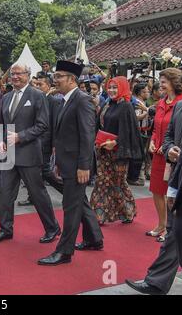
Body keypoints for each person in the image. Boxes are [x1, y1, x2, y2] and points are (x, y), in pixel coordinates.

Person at [38, 61, 103, 266]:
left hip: (78, 165)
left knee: (71, 207)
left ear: (71, 79)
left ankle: (64, 252)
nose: (54, 80)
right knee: (79, 202)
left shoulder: (81, 100)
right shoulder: (64, 99)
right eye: (54, 77)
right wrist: (58, 162)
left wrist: (84, 166)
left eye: (59, 77)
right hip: (67, 162)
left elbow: (87, 135)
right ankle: (94, 238)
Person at [0, 63, 59, 245]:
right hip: (8, 153)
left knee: (37, 194)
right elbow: (2, 123)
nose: (15, 76)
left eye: (19, 73)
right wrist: (2, 140)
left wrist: (21, 136)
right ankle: (6, 229)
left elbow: (43, 125)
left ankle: (52, 228)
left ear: (28, 75)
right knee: (5, 193)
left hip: (28, 152)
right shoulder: (6, 97)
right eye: (13, 73)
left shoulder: (37, 95)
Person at [126, 97, 182, 295]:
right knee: (176, 234)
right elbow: (169, 136)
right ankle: (157, 282)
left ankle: (156, 282)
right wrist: (169, 149)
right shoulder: (181, 106)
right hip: (180, 180)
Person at [90, 76, 143, 224]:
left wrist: (116, 142)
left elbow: (131, 131)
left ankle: (128, 211)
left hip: (119, 152)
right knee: (102, 182)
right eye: (110, 87)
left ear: (122, 88)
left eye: (115, 88)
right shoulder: (108, 104)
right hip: (103, 150)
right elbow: (100, 125)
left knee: (118, 182)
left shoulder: (126, 106)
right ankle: (97, 216)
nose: (112, 90)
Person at [147, 68, 182, 241]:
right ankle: (161, 224)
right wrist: (153, 140)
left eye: (163, 82)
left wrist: (168, 146)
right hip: (158, 153)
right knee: (156, 190)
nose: (159, 85)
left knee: (170, 193)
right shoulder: (161, 102)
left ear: (173, 83)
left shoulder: (181, 102)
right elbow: (157, 127)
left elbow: (179, 132)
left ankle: (170, 228)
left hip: (172, 156)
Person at [18, 74, 64, 207]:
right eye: (36, 84)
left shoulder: (54, 102)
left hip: (46, 142)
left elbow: (56, 124)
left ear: (49, 86)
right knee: (35, 171)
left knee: (44, 171)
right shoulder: (33, 100)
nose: (37, 87)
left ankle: (67, 192)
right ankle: (32, 197)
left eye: (40, 85)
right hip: (32, 140)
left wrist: (55, 144)